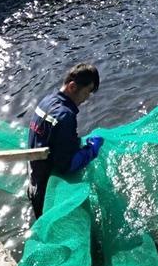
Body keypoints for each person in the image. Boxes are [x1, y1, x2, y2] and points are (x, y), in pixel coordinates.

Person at [27, 63, 104, 219]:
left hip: (33, 180)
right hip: (49, 192)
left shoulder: (47, 101)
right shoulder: (65, 115)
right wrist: (91, 150)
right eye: (87, 92)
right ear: (72, 86)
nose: (87, 99)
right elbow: (67, 165)